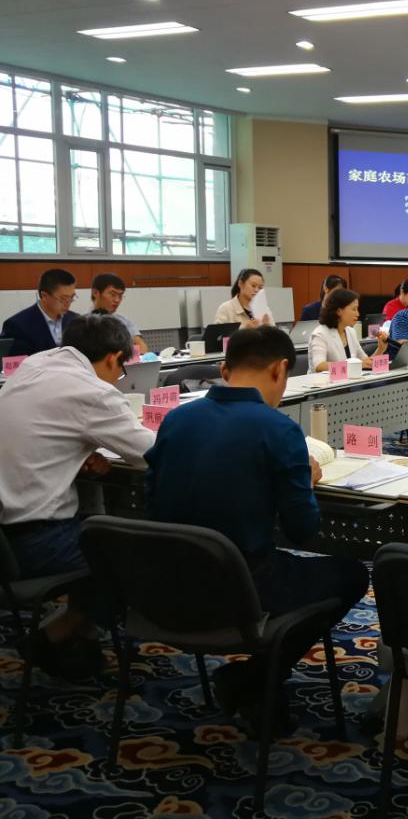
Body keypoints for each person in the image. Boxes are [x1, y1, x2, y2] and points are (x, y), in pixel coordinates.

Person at [145, 326, 368, 732]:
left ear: (223, 370)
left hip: (166, 585)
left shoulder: (175, 420)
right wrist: (304, 481)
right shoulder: (277, 429)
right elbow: (303, 531)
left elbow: (150, 498)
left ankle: (255, 683)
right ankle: (258, 676)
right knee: (351, 573)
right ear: (281, 369)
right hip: (242, 590)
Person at [0, 315, 155, 678]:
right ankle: (57, 634)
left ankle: (81, 640)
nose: (118, 380)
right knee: (137, 552)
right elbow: (151, 452)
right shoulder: (92, 391)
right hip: (34, 542)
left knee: (102, 532)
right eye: (121, 371)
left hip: (6, 536)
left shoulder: (36, 365)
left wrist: (78, 449)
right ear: (114, 358)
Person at [1, 268, 80, 356]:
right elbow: (18, 363)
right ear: (44, 296)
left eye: (72, 297)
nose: (68, 303)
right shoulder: (17, 326)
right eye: (64, 298)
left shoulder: (76, 320)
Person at [309, 288, 388, 371]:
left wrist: (380, 349)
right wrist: (356, 365)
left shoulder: (350, 331)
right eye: (354, 309)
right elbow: (319, 365)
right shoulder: (320, 334)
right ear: (339, 311)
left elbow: (366, 362)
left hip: (348, 379)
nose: (358, 314)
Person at [90, 272, 149, 355]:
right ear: (95, 293)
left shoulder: (124, 321)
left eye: (120, 296)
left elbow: (141, 346)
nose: (117, 300)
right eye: (112, 294)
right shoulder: (83, 323)